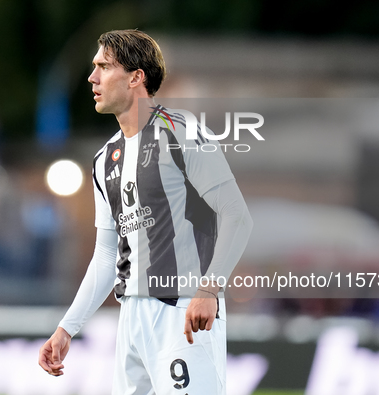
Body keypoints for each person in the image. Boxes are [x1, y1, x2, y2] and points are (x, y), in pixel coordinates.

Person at [38, 29, 253, 394]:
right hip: (133, 319)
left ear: (136, 77)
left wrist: (209, 289)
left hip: (183, 311)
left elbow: (237, 216)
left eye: (104, 67)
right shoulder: (105, 159)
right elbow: (107, 255)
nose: (92, 78)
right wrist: (67, 328)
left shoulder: (181, 133)